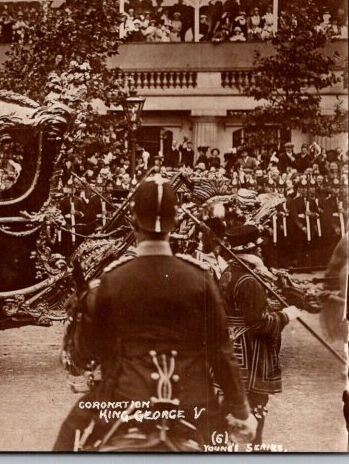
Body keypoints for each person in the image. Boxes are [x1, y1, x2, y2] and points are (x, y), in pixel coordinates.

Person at [53, 176, 256, 451]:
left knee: (66, 443)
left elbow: (88, 352)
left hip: (124, 398)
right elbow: (221, 354)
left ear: (134, 220)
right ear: (174, 223)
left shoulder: (113, 280)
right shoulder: (200, 279)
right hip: (193, 404)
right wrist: (242, 412)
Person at [218, 224, 302, 445]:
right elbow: (259, 323)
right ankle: (256, 452)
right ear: (253, 250)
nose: (261, 251)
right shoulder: (250, 280)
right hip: (250, 351)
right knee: (255, 407)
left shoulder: (229, 272)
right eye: (258, 247)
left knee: (230, 405)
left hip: (232, 346)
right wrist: (285, 315)